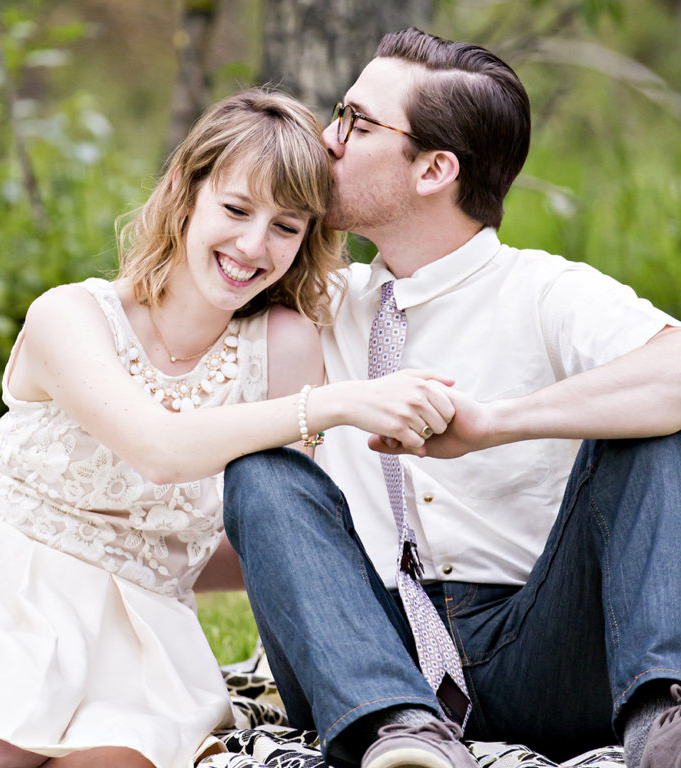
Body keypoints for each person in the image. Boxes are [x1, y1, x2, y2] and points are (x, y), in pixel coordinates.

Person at [0, 87, 454, 768]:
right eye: (235, 209)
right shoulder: (72, 317)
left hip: (139, 632)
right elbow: (159, 452)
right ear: (183, 190)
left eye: (287, 227)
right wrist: (337, 403)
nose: (254, 245)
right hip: (1, 594)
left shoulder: (283, 346)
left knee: (113, 761)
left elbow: (252, 542)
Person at [222, 29, 681, 768]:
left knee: (656, 424)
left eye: (356, 122)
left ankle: (667, 719)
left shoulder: (544, 291)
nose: (327, 139)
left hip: (539, 643)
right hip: (365, 653)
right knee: (261, 473)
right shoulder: (309, 299)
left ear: (435, 168)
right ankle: (401, 736)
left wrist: (496, 424)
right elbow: (154, 325)